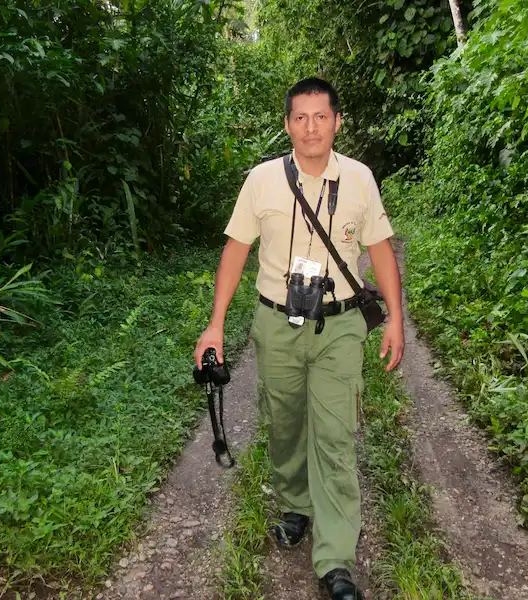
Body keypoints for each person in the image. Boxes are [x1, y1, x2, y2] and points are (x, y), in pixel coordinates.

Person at [194, 77, 404, 600]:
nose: (311, 127)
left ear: (336, 121)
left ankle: (336, 559)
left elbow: (380, 249)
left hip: (340, 326)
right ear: (288, 124)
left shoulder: (358, 178)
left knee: (334, 436)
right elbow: (235, 251)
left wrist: (396, 318)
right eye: (300, 118)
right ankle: (295, 504)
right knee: (284, 423)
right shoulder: (262, 180)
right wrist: (215, 323)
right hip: (276, 322)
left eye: (321, 116)